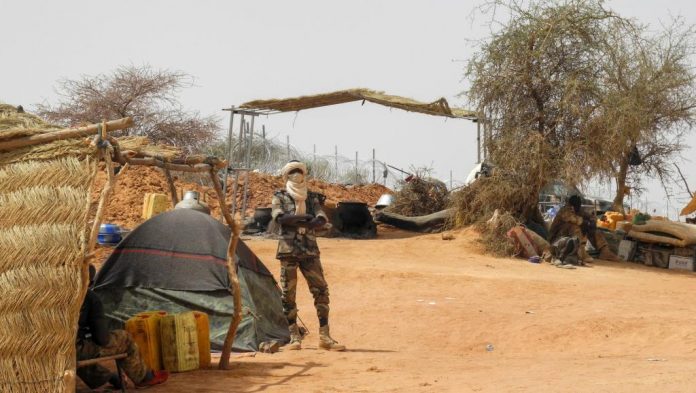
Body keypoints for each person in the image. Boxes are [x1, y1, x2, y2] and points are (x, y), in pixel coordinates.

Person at [271, 160, 346, 351]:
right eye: (293, 171)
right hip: (288, 251)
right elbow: (280, 219)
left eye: (299, 171)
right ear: (286, 175)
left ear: (304, 174)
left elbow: (320, 220)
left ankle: (325, 336)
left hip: (310, 251)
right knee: (288, 294)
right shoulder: (279, 196)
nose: (297, 174)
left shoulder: (312, 197)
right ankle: (294, 337)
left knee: (321, 291)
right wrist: (306, 220)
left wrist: (296, 221)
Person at [77, 265, 169, 389]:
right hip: (74, 350)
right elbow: (102, 339)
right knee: (124, 339)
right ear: (91, 282)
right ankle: (143, 378)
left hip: (57, 349)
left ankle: (111, 378)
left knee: (79, 349)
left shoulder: (54, 294)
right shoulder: (91, 298)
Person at [548, 195, 619, 263]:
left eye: (578, 205)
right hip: (556, 240)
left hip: (569, 239)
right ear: (570, 204)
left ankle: (604, 251)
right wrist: (586, 223)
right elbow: (575, 219)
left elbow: (591, 217)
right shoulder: (565, 210)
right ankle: (580, 252)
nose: (577, 207)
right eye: (575, 205)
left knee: (594, 230)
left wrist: (592, 222)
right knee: (574, 227)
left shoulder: (578, 210)